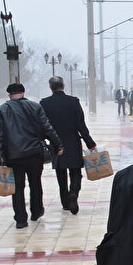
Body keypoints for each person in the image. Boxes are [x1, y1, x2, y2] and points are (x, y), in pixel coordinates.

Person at [0, 82, 63, 229]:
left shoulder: (1, 110)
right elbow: (47, 128)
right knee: (35, 182)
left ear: (9, 95)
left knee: (17, 187)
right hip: (34, 153)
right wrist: (58, 145)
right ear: (23, 93)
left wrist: (0, 158)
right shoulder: (35, 106)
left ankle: (20, 219)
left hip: (14, 155)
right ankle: (36, 211)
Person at [40, 76, 96, 215]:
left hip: (56, 144)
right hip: (73, 142)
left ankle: (65, 202)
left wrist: (45, 141)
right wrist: (90, 143)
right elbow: (81, 125)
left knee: (61, 173)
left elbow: (43, 126)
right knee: (76, 172)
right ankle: (74, 194)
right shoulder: (73, 101)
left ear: (50, 87)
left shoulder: (45, 103)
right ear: (63, 86)